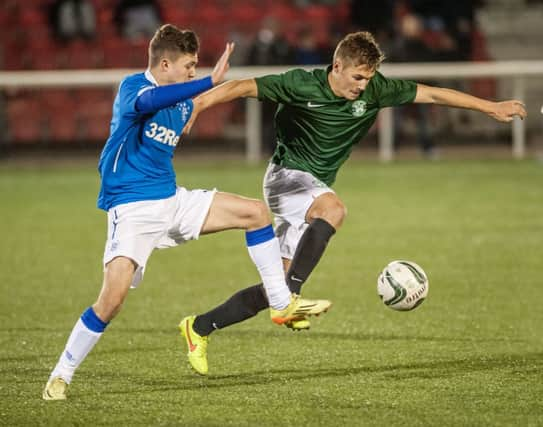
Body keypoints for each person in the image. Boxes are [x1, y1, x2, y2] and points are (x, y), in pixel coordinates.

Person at [179, 31, 527, 374]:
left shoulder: (376, 91)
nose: (362, 85)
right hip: (287, 177)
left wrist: (490, 107)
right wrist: (198, 103)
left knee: (274, 288)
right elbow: (243, 86)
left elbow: (433, 95)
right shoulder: (302, 84)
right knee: (334, 210)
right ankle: (293, 298)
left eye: (368, 78)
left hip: (312, 186)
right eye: (357, 77)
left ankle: (199, 327)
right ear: (337, 66)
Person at [42, 24, 331, 401]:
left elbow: (192, 102)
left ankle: (281, 302)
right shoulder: (134, 88)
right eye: (189, 66)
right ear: (165, 64)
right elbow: (148, 105)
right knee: (110, 301)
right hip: (132, 210)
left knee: (256, 213)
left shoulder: (181, 103)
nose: (193, 73)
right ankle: (61, 375)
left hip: (173, 201)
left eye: (197, 68)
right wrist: (208, 81)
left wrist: (205, 97)